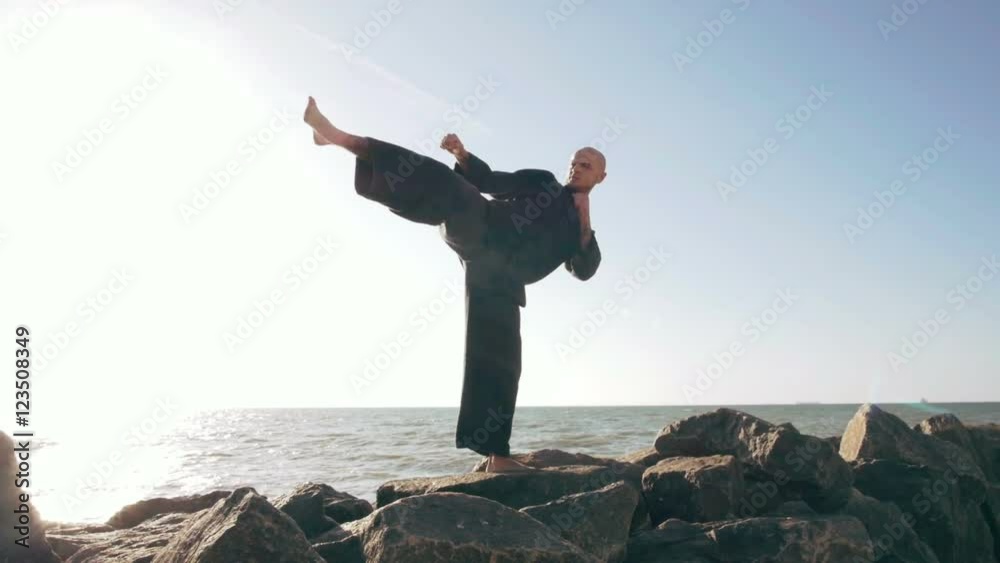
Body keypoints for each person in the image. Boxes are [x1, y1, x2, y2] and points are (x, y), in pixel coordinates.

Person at [303, 96, 605, 473]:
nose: (576, 168)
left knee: (499, 360)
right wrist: (463, 155)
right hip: (483, 224)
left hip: (500, 278)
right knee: (451, 187)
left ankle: (495, 456)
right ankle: (340, 138)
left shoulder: (580, 230)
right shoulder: (543, 182)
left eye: (586, 164)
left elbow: (583, 270)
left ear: (600, 177)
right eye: (574, 161)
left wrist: (585, 224)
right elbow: (494, 181)